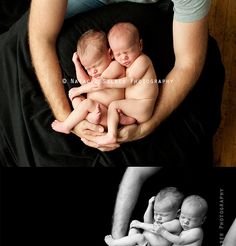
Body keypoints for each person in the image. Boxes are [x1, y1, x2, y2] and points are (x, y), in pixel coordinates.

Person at [28, 0, 212, 154]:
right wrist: (66, 111)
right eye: (119, 54)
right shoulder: (110, 65)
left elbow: (188, 64)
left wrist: (146, 127)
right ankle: (79, 122)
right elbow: (40, 36)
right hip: (105, 106)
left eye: (95, 65)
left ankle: (94, 124)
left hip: (129, 106)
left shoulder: (124, 64)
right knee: (70, 104)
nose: (123, 58)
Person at [111, 167, 236, 246]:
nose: (185, 222)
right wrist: (120, 238)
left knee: (148, 245)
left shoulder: (189, 229)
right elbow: (135, 172)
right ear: (179, 213)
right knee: (136, 234)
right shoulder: (178, 222)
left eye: (190, 219)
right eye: (183, 217)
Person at [51, 29, 135, 134]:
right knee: (77, 99)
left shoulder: (115, 66)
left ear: (110, 54)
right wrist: (77, 64)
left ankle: (66, 126)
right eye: (88, 69)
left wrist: (79, 90)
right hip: (96, 111)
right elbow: (85, 82)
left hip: (110, 115)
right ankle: (90, 117)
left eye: (96, 65)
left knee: (86, 102)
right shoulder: (95, 74)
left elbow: (96, 85)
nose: (93, 71)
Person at [93, 22, 158, 145]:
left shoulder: (142, 61)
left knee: (113, 106)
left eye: (128, 51)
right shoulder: (125, 65)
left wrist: (106, 83)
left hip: (143, 105)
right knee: (114, 112)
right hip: (134, 107)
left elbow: (130, 81)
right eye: (118, 54)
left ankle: (111, 135)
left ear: (140, 45)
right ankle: (127, 121)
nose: (124, 58)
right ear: (111, 53)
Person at [105, 187, 184, 246]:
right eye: (155, 213)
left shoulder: (176, 223)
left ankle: (115, 244)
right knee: (134, 228)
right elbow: (147, 221)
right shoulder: (160, 219)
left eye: (163, 215)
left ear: (178, 213)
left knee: (140, 236)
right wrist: (150, 206)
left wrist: (140, 224)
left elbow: (155, 229)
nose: (157, 217)